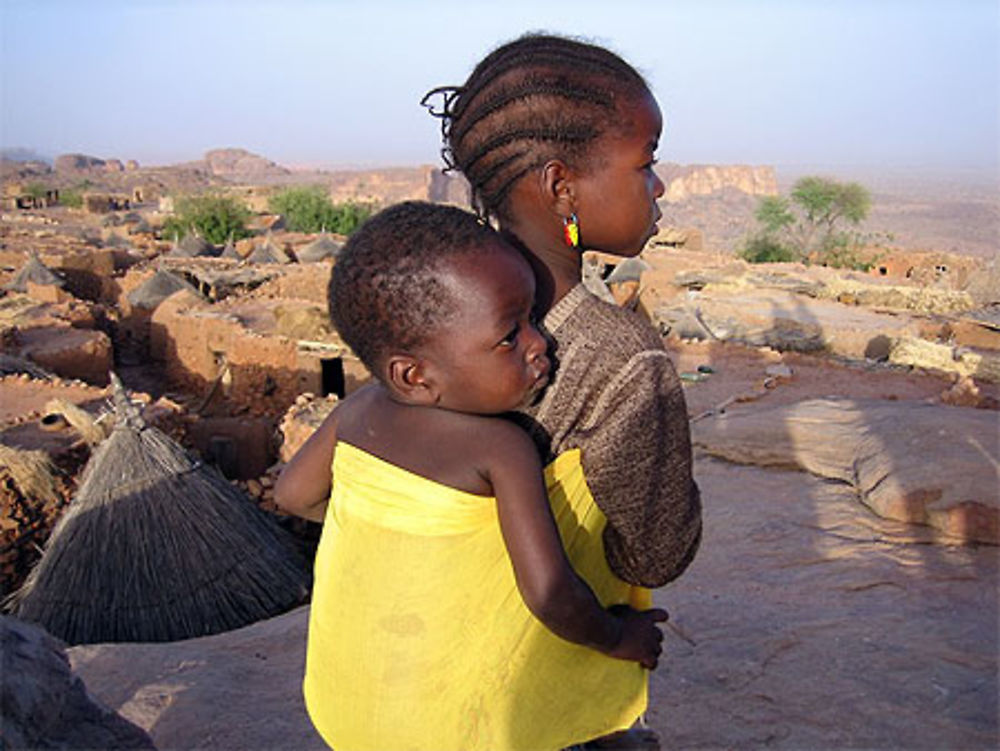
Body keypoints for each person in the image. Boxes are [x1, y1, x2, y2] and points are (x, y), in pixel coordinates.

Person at [275, 201, 668, 751]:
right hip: (454, 728)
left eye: (534, 317)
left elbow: (293, 494)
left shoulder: (353, 413)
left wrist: (398, 538)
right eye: (510, 336)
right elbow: (553, 596)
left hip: (347, 709)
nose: (539, 344)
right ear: (415, 375)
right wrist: (621, 637)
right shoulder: (500, 448)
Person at [422, 32, 702, 591]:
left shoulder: (426, 313)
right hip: (546, 662)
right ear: (562, 188)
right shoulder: (625, 360)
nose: (660, 185)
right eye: (646, 162)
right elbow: (656, 557)